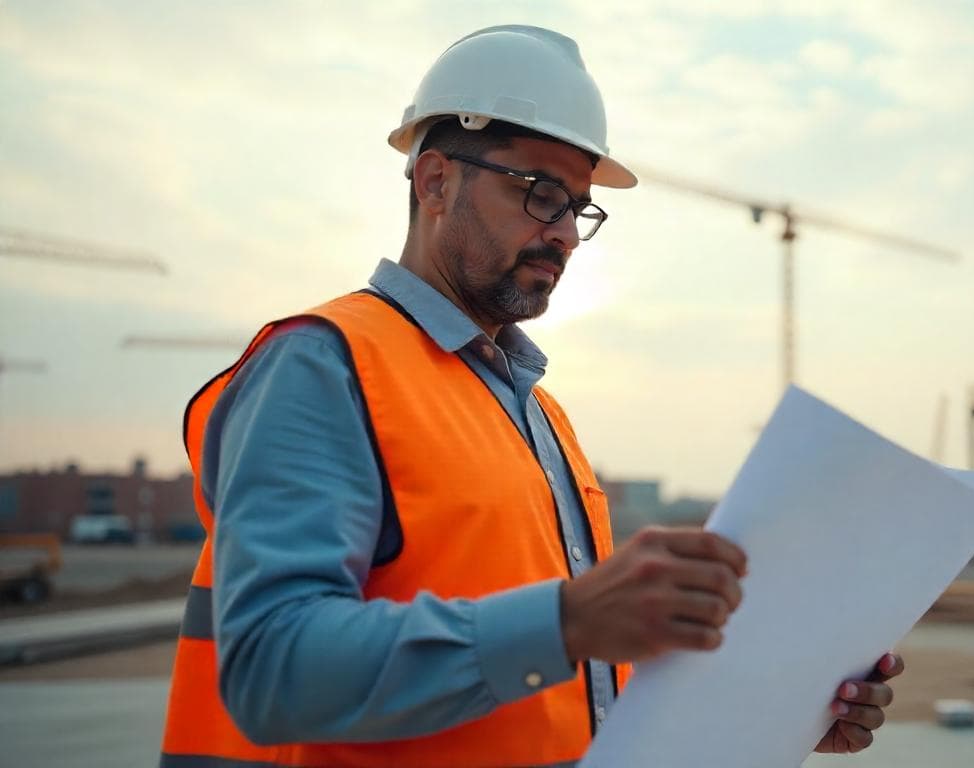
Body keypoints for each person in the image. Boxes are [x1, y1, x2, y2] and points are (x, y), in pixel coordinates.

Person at [159, 24, 902, 768]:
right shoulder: (323, 367)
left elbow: (567, 690)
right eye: (543, 196)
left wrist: (773, 709)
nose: (567, 234)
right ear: (435, 182)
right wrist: (567, 621)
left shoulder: (539, 416)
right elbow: (269, 670)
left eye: (579, 209)